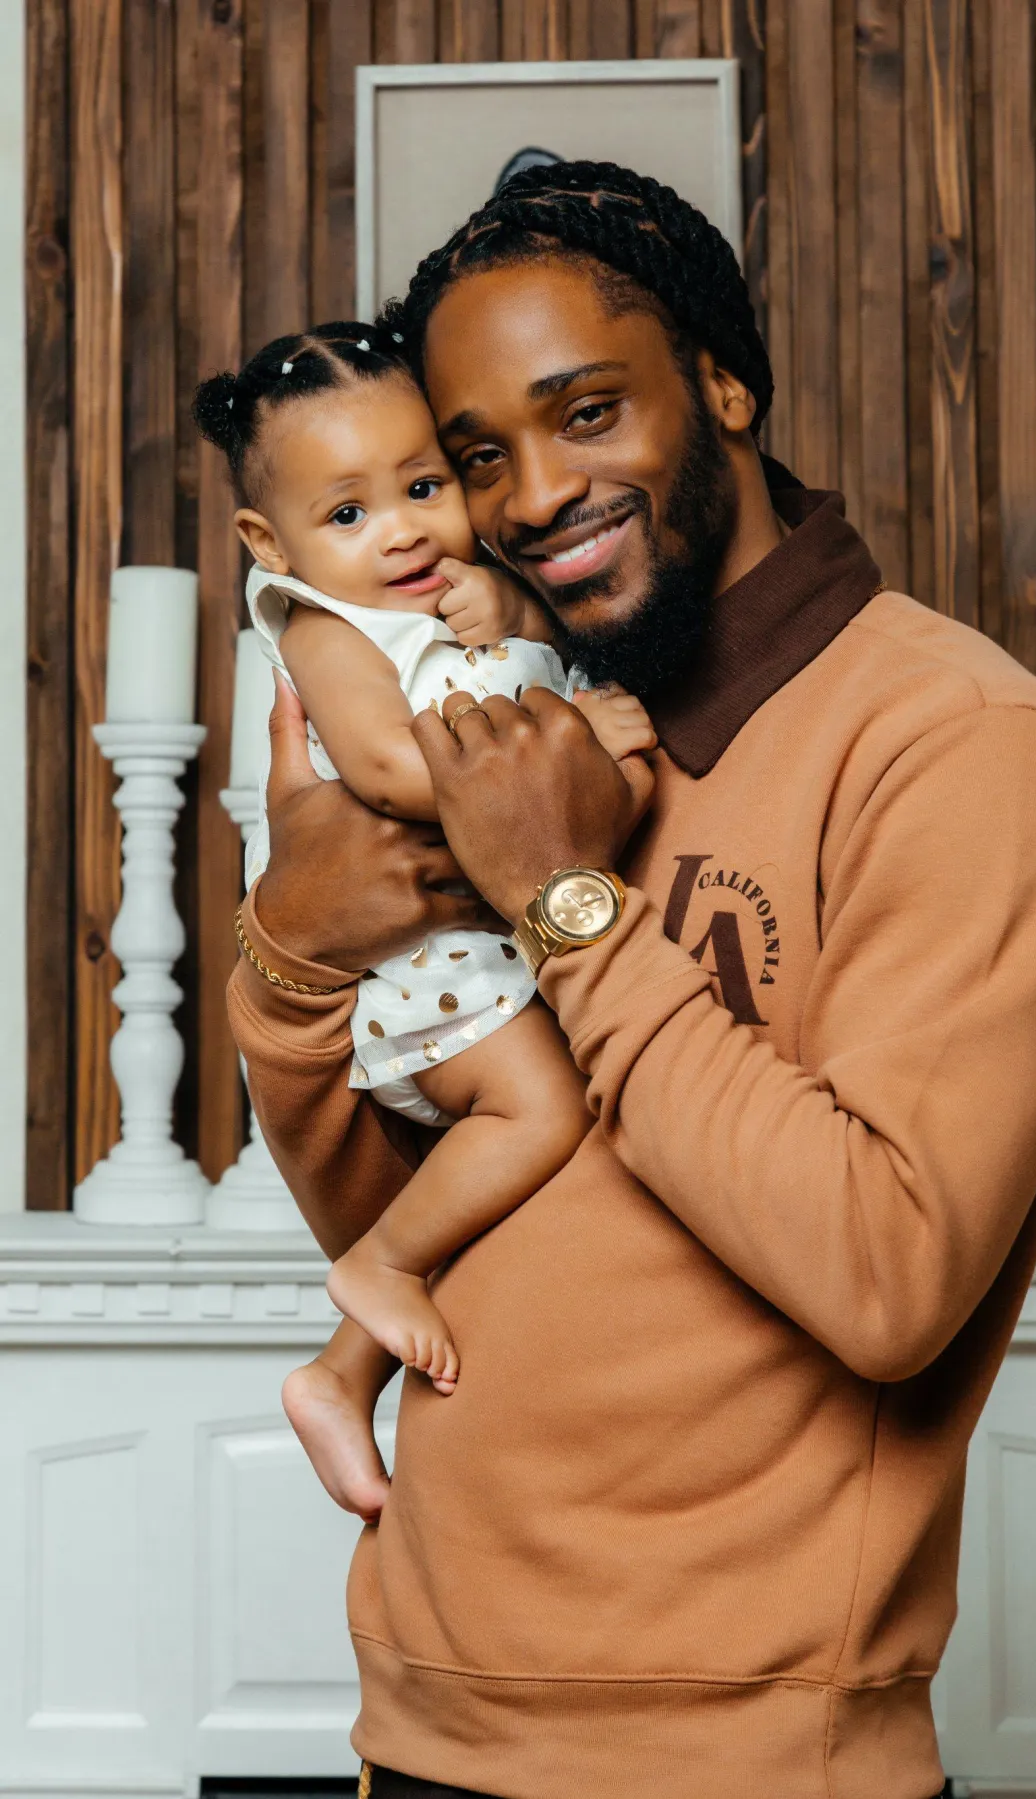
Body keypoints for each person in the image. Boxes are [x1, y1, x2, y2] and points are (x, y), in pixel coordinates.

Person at [229, 162, 1036, 1799]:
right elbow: (385, 1202)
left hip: (751, 1763)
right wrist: (292, 955)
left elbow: (886, 1275)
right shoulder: (514, 720)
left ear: (723, 380)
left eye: (588, 412)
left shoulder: (968, 750)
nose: (533, 496)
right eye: (479, 455)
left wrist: (566, 902)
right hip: (418, 1730)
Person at [194, 320, 654, 1522]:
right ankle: (379, 1266)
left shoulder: (458, 599)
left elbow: (535, 684)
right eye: (347, 513)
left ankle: (341, 1374)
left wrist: (518, 621)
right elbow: (396, 774)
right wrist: (576, 773)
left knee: (534, 1165)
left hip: (496, 949)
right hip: (429, 967)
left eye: (422, 486)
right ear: (270, 541)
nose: (398, 528)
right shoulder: (322, 627)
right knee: (543, 1109)